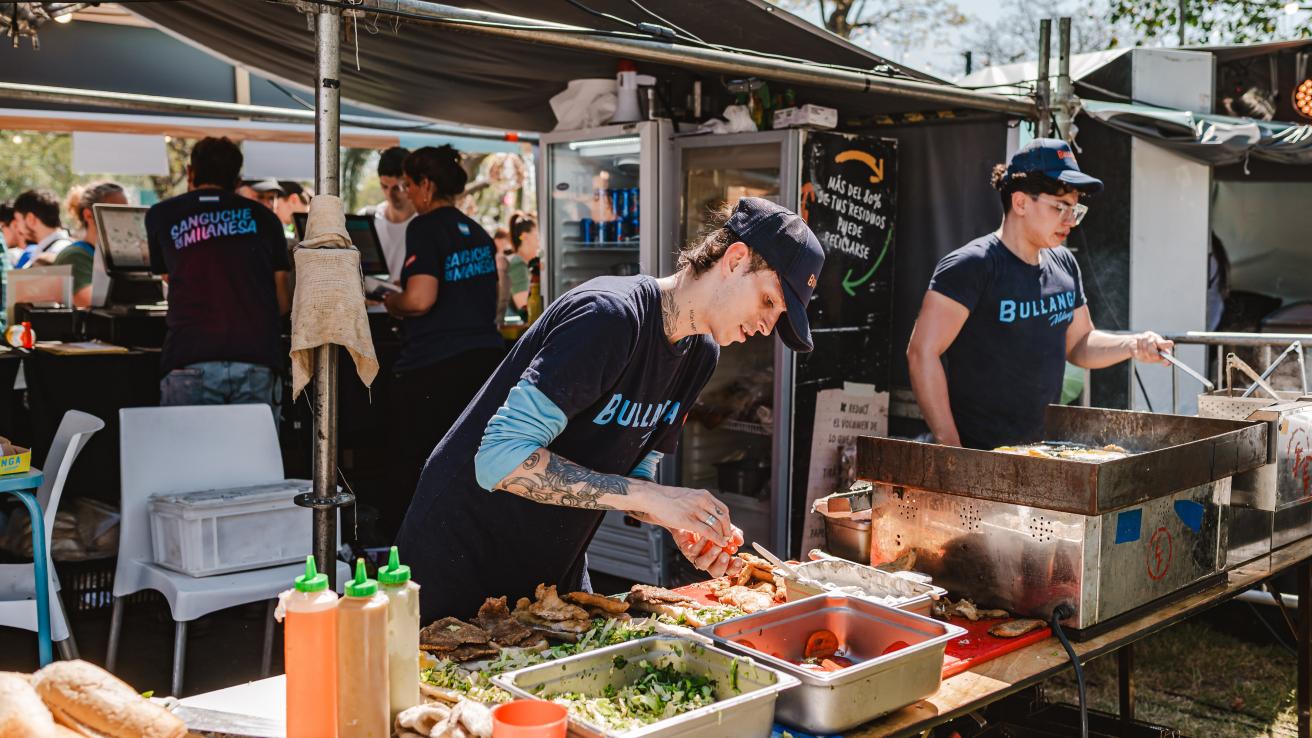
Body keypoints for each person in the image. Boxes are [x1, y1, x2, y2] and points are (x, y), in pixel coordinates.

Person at [395, 197, 825, 621]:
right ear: (734, 260)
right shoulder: (610, 317)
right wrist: (650, 496)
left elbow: (633, 475)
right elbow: (496, 460)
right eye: (769, 302)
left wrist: (676, 519)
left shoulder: (701, 356)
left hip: (549, 569)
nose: (768, 326)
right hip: (459, 557)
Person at [907, 139, 1173, 450]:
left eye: (1075, 209)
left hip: (1039, 451)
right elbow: (921, 352)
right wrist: (950, 447)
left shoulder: (1063, 262)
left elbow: (1079, 343)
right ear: (1020, 203)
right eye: (1060, 207)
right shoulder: (972, 265)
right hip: (976, 452)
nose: (1070, 221)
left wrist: (1132, 345)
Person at [377, 145, 504, 539]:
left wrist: (390, 301)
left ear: (427, 185)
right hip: (484, 364)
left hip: (433, 368)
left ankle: (410, 549)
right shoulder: (478, 231)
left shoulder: (425, 227)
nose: (408, 194)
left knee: (415, 463)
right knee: (467, 464)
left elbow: (419, 298)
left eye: (410, 185)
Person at [145, 137, 292, 407]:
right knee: (252, 450)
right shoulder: (266, 219)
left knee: (191, 450)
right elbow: (282, 301)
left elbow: (170, 277)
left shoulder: (161, 215)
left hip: (188, 356)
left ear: (190, 172)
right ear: (237, 180)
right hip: (256, 357)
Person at [58, 181, 127, 308]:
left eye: (126, 211)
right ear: (88, 215)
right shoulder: (75, 256)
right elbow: (91, 302)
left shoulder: (121, 256)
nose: (123, 219)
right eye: (114, 212)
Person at [369, 146, 416, 284]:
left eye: (397, 188)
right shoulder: (370, 217)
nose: (390, 195)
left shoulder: (426, 224)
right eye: (385, 187)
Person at [12, 189, 71, 268]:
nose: (17, 227)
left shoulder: (59, 251)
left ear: (30, 219)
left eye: (18, 220)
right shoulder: (49, 248)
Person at [505, 211, 540, 318]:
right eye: (537, 236)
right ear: (524, 237)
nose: (540, 242)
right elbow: (524, 309)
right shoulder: (518, 265)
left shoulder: (523, 263)